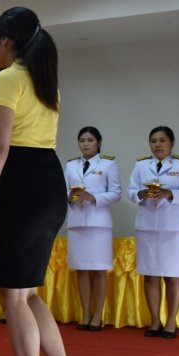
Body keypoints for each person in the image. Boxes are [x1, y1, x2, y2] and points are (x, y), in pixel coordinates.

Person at [0, 7, 86, 356]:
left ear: (6, 41)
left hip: (23, 183)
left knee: (13, 296)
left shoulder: (7, 78)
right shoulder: (45, 82)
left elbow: (0, 147)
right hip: (50, 183)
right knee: (29, 293)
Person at [127, 126, 179, 339]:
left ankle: (171, 322)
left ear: (172, 144)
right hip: (147, 225)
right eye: (153, 141)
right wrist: (140, 193)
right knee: (150, 275)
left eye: (162, 140)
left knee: (172, 276)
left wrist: (169, 193)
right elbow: (131, 191)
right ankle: (155, 321)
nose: (157, 144)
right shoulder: (141, 165)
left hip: (172, 228)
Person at [64, 126, 121, 331]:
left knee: (98, 270)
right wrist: (69, 197)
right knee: (81, 270)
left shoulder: (108, 164)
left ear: (98, 142)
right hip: (77, 223)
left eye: (89, 140)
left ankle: (98, 315)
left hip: (99, 224)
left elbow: (116, 193)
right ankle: (85, 314)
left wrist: (94, 197)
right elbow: (63, 191)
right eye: (82, 140)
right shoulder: (70, 165)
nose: (85, 144)